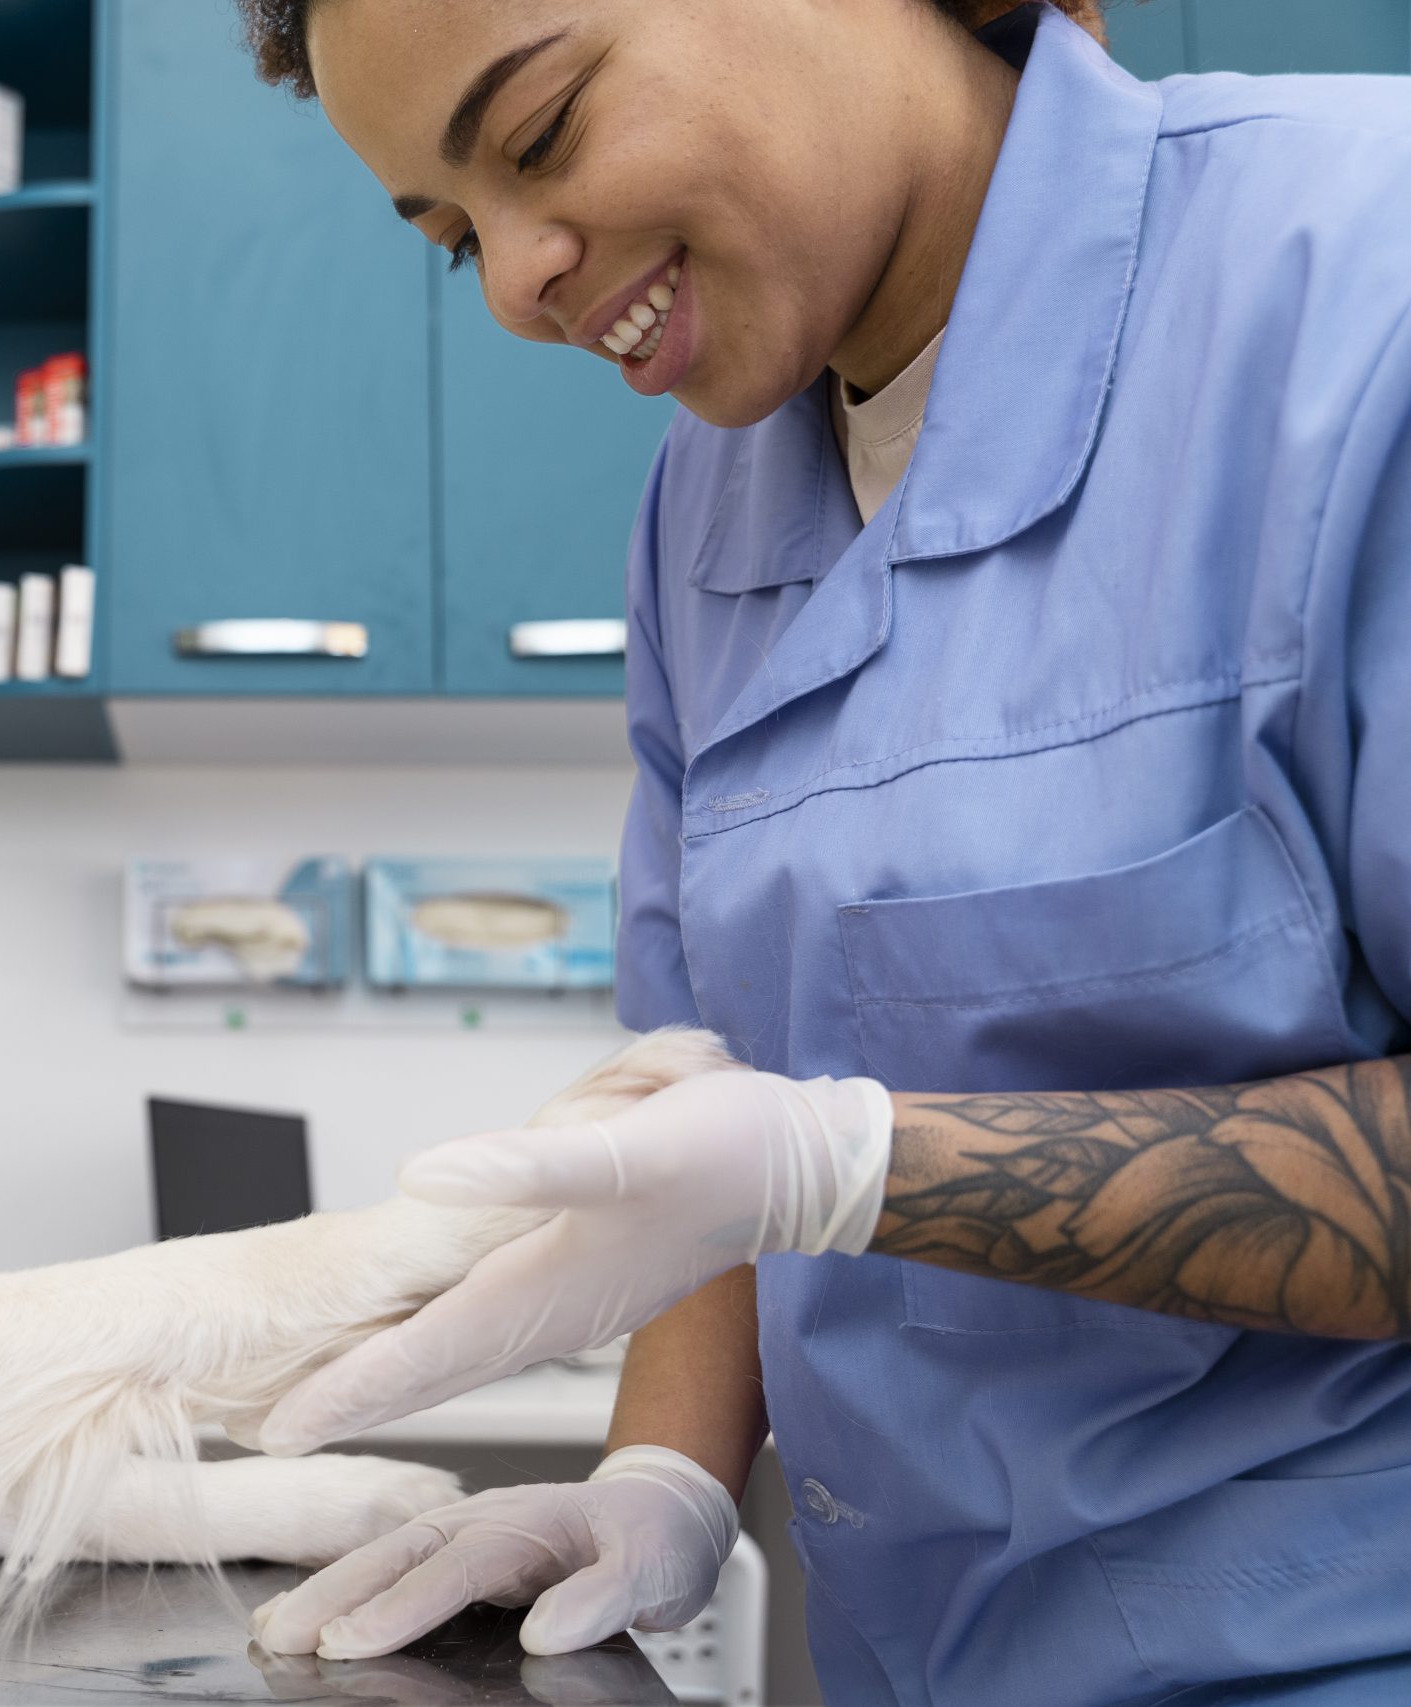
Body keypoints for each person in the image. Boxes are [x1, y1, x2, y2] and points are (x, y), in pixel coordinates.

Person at [228, 2, 1411, 1701]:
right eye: (449, 236)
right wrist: (664, 1473)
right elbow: (724, 1105)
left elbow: (796, 1152)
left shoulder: (1358, 290)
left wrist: (855, 1170)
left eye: (545, 131)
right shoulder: (705, 508)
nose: (512, 281)